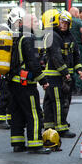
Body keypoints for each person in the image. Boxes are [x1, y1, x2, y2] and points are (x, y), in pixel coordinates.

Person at [6, 8, 51, 154]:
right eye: (35, 21)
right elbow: (32, 62)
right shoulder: (28, 38)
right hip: (26, 83)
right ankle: (35, 144)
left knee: (17, 112)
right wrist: (42, 80)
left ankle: (17, 143)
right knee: (34, 114)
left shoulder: (14, 37)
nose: (37, 24)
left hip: (13, 82)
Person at [41, 9, 80, 138]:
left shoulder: (69, 36)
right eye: (62, 22)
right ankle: (61, 128)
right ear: (58, 22)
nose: (64, 25)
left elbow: (75, 53)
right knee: (59, 101)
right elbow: (56, 56)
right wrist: (65, 72)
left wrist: (78, 68)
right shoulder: (53, 35)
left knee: (50, 101)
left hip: (61, 75)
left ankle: (49, 126)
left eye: (66, 23)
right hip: (54, 76)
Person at [0, 22, 12, 129]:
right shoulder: (3, 29)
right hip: (2, 68)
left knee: (9, 94)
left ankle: (9, 118)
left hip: (7, 67)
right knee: (2, 94)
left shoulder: (11, 30)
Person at [69, 7, 82, 96]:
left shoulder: (66, 21)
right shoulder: (78, 22)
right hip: (78, 48)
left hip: (69, 48)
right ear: (77, 13)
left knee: (72, 68)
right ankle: (80, 88)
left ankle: (73, 88)